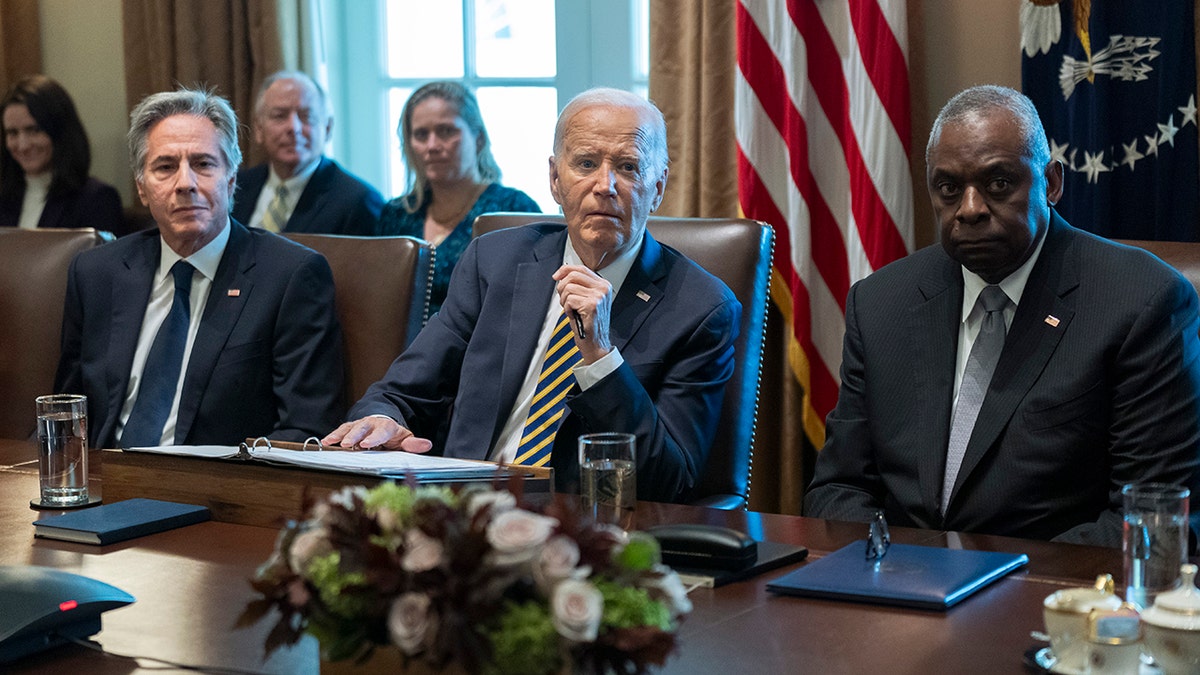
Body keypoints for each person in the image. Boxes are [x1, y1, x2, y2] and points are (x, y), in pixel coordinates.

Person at [805, 85, 1200, 547]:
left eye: (997, 184)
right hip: (901, 593)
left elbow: (1152, 520)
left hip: (1048, 601)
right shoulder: (879, 304)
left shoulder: (1140, 302)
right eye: (949, 188)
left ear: (1051, 182)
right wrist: (893, 574)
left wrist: (989, 587)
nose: (969, 210)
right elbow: (839, 488)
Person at [322, 88, 741, 503]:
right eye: (586, 163)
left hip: (584, 531)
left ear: (659, 186)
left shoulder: (701, 309)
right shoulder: (495, 260)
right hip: (460, 516)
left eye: (629, 167)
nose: (605, 185)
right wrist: (380, 420)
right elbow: (402, 391)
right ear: (555, 180)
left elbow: (670, 480)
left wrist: (600, 357)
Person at [54, 86, 345, 449]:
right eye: (165, 167)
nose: (185, 184)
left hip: (217, 492)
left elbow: (306, 429)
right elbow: (65, 414)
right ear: (142, 189)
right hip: (103, 486)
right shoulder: (96, 272)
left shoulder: (291, 276)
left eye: (204, 164)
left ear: (232, 179)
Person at [379, 81, 540, 315]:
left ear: (479, 138)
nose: (432, 146)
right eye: (421, 135)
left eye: (446, 131)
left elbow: (527, 304)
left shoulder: (513, 209)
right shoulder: (396, 214)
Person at [231, 70, 383, 236]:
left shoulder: (358, 201)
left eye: (307, 117)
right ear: (259, 128)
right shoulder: (235, 186)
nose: (293, 128)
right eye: (279, 116)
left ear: (328, 128)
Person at [0, 75, 123, 233]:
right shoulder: (4, 198)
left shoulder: (96, 199)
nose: (23, 145)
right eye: (12, 133)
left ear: (60, 132)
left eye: (34, 130)